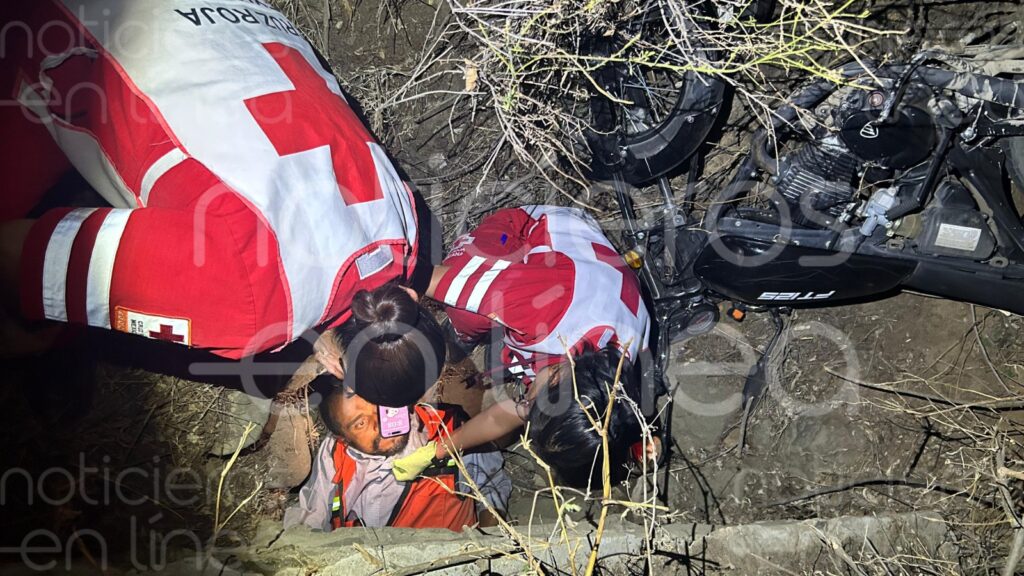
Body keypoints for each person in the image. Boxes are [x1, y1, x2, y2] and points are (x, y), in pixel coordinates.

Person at [0, 0, 439, 395]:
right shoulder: (254, 305)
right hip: (66, 30)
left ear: (413, 300)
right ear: (338, 369)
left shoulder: (406, 226)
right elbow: (15, 251)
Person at [392, 206, 654, 489]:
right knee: (466, 312)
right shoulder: (539, 307)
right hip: (530, 232)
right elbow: (425, 276)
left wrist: (439, 450)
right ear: (556, 376)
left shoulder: (607, 391)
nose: (524, 403)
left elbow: (510, 413)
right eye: (529, 401)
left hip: (592, 278)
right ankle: (463, 330)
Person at [284, 381, 511, 531]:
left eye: (382, 407)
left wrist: (489, 537)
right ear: (343, 438)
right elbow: (312, 517)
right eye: (361, 423)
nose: (381, 424)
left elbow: (491, 485)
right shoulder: (335, 454)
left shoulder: (448, 426)